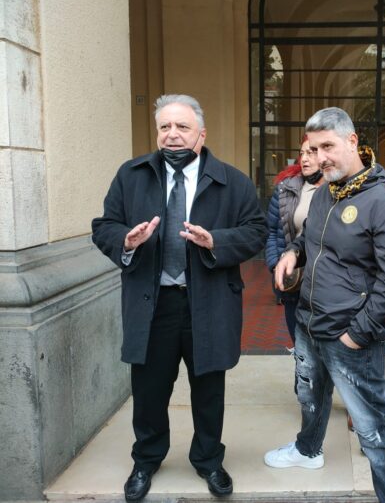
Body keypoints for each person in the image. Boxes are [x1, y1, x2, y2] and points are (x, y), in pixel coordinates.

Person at [92, 94, 267, 501]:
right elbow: (104, 225)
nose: (172, 135)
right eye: (165, 127)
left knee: (208, 390)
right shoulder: (131, 176)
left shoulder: (232, 181)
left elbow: (256, 231)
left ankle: (208, 460)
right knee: (149, 391)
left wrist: (216, 241)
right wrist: (126, 240)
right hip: (152, 303)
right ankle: (146, 459)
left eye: (182, 127)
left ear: (201, 134)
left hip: (209, 302)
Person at [263, 107, 385, 503]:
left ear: (352, 141)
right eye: (314, 148)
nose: (320, 157)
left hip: (350, 336)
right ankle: (307, 450)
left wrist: (357, 335)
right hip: (309, 323)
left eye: (328, 146)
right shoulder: (326, 192)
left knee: (374, 430)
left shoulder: (384, 202)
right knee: (310, 398)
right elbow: (309, 236)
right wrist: (292, 253)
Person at [265, 137, 324, 345]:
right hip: (295, 279)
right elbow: (272, 231)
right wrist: (276, 265)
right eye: (302, 153)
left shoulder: (338, 188)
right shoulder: (287, 188)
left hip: (327, 282)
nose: (304, 159)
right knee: (300, 345)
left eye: (311, 153)